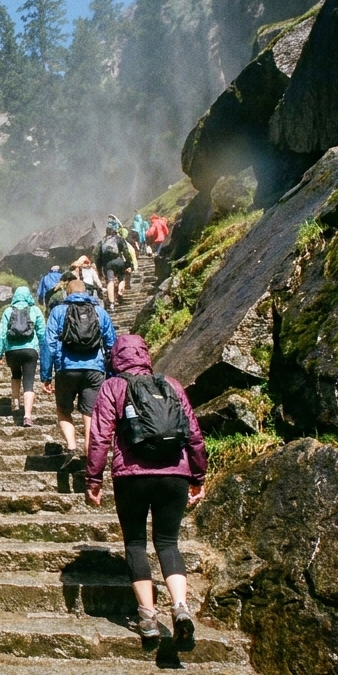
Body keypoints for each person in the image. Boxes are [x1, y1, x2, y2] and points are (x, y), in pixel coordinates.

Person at [85, 334, 207, 642]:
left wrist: (94, 480)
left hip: (132, 477)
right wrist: (198, 477)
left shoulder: (113, 387)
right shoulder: (171, 385)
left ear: (115, 358)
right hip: (175, 474)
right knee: (168, 543)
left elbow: (99, 437)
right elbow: (193, 433)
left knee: (136, 543)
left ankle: (148, 618)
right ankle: (180, 607)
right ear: (145, 355)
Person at [42, 280, 116, 462]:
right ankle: (90, 461)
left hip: (66, 369)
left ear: (67, 293)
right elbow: (112, 345)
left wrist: (46, 375)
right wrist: (112, 374)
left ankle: (71, 446)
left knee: (63, 409)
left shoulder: (58, 311)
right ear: (87, 292)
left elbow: (48, 344)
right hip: (94, 370)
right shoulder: (100, 312)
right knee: (90, 415)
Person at [0, 286, 48, 427]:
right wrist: (44, 351)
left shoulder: (8, 311)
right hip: (30, 351)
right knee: (29, 382)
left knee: (15, 374)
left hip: (12, 351)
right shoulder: (35, 310)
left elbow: (1, 334)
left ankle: (15, 401)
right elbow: (42, 333)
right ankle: (27, 416)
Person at [95, 224, 130, 310]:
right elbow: (126, 251)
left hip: (108, 264)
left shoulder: (102, 242)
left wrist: (99, 270)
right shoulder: (119, 239)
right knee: (122, 278)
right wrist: (128, 264)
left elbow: (97, 257)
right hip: (119, 261)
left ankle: (111, 303)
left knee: (110, 281)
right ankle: (120, 293)